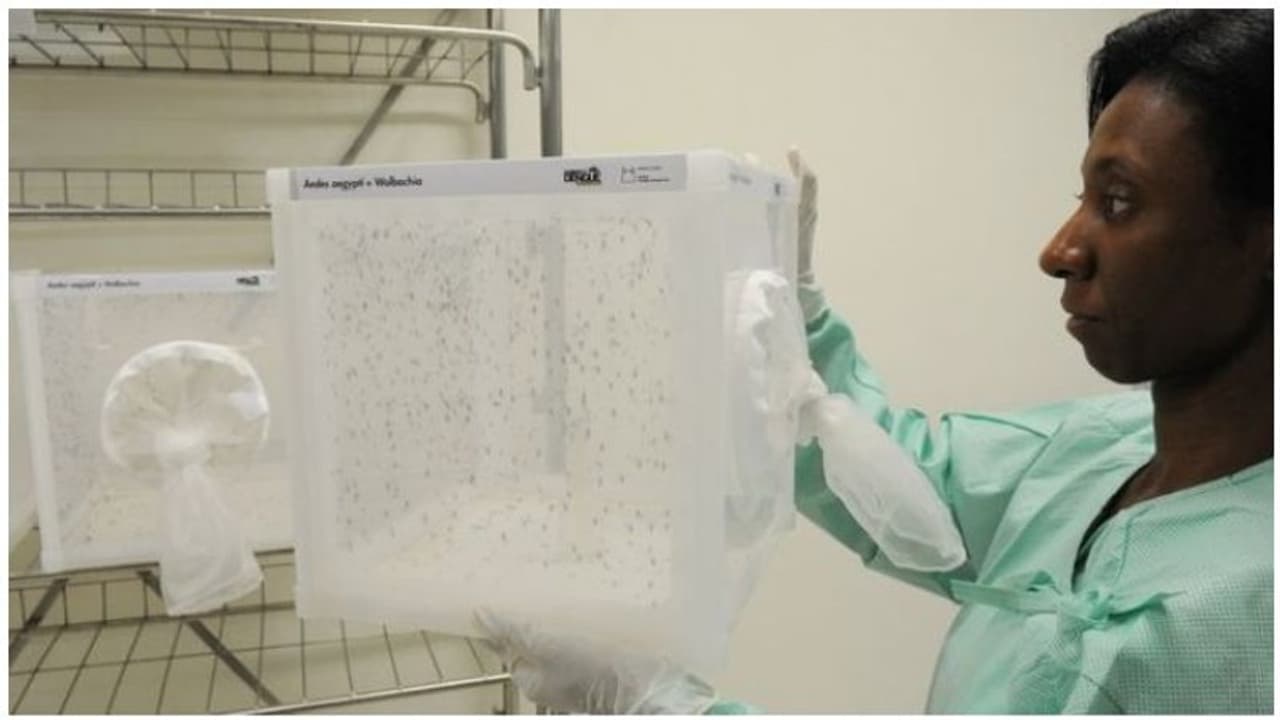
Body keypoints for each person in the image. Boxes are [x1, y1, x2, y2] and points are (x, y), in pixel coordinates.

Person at [479, 9, 1273, 714]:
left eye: (1119, 202)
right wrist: (795, 339)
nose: (1060, 250)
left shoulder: (1247, 613)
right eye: (1082, 198)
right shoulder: (1111, 447)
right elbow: (907, 487)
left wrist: (657, 706)